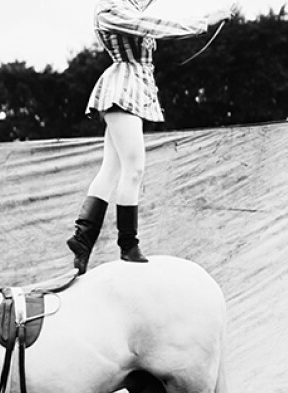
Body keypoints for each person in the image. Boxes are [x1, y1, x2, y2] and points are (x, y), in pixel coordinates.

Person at [66, 0, 234, 274]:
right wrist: (205, 22)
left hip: (130, 89)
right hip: (123, 90)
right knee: (134, 168)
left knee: (112, 169)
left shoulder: (126, 7)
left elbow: (153, 16)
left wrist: (212, 14)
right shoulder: (111, 9)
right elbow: (159, 25)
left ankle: (82, 240)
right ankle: (127, 244)